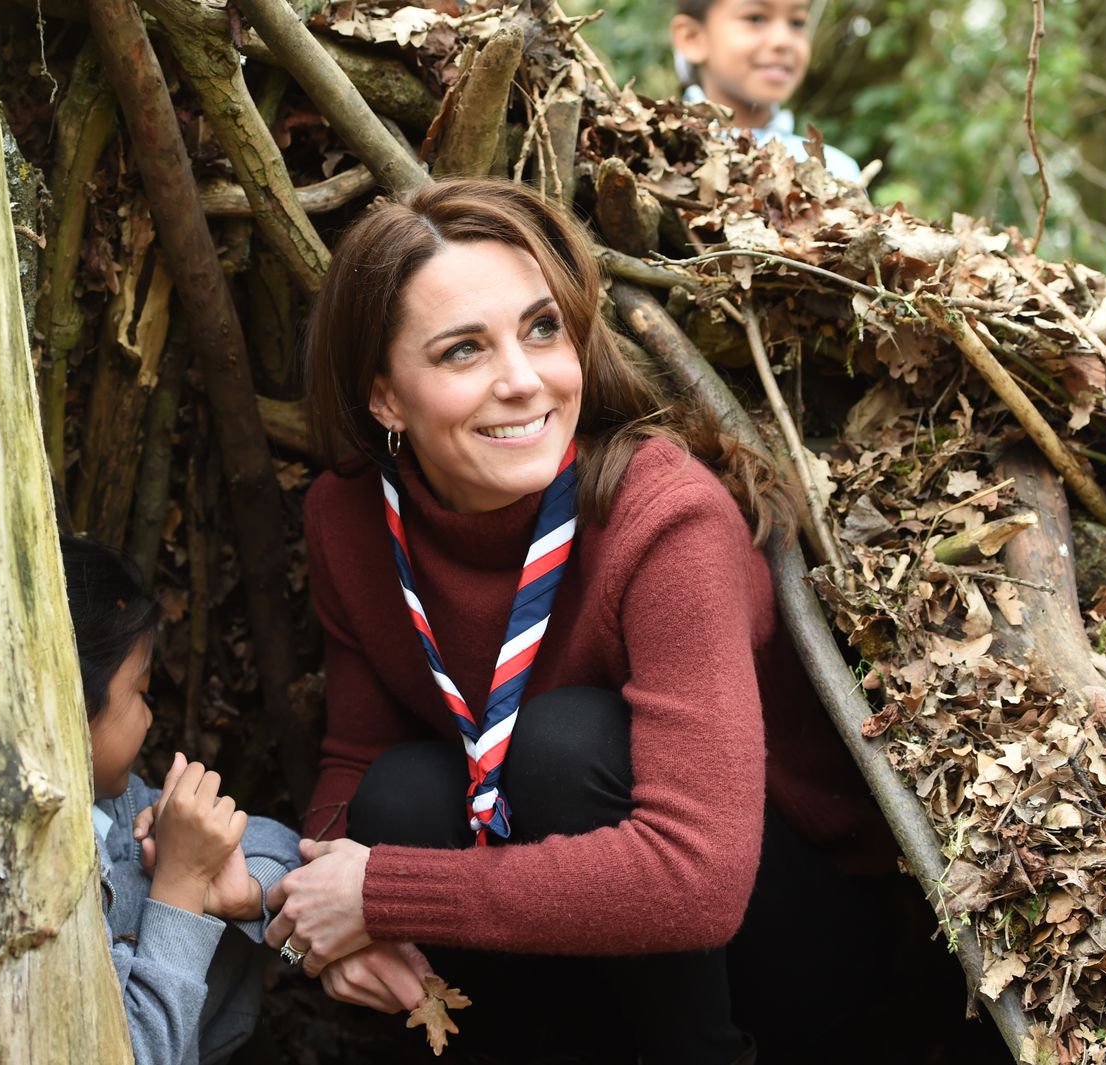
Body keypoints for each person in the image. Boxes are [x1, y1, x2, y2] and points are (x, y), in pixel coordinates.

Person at [264, 179, 896, 1063]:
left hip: (797, 952)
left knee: (563, 744)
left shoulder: (664, 520)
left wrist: (386, 894)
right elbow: (356, 761)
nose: (523, 382)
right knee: (400, 796)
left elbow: (700, 880)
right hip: (585, 953)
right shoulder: (352, 521)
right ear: (384, 398)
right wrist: (323, 922)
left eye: (542, 329)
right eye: (461, 352)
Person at [61, 533, 301, 1065]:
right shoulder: (43, 883)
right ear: (70, 698)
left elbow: (285, 851)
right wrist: (181, 882)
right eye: (141, 692)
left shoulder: (116, 810)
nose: (149, 717)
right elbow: (133, 1052)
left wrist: (245, 895)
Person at [671, 0, 866, 184]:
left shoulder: (837, 171)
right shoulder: (660, 152)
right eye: (756, 18)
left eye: (797, 23)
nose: (782, 41)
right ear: (692, 37)